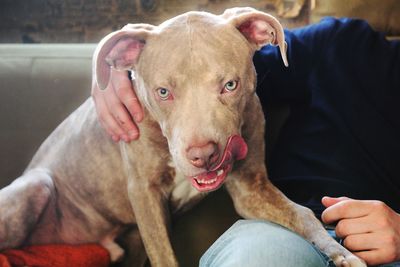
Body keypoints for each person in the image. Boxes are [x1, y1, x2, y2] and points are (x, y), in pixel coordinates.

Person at [91, 17, 400, 266]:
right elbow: (216, 61)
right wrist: (113, 71)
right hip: (288, 233)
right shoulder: (345, 43)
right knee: (260, 258)